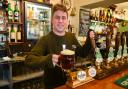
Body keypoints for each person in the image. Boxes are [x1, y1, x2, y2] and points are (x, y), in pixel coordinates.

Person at [25, 4, 95, 89]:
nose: (60, 21)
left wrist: (89, 40)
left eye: (63, 18)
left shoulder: (71, 36)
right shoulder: (45, 39)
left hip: (71, 83)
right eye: (57, 17)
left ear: (67, 21)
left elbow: (83, 53)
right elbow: (29, 60)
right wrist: (48, 59)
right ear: (52, 20)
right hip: (52, 85)